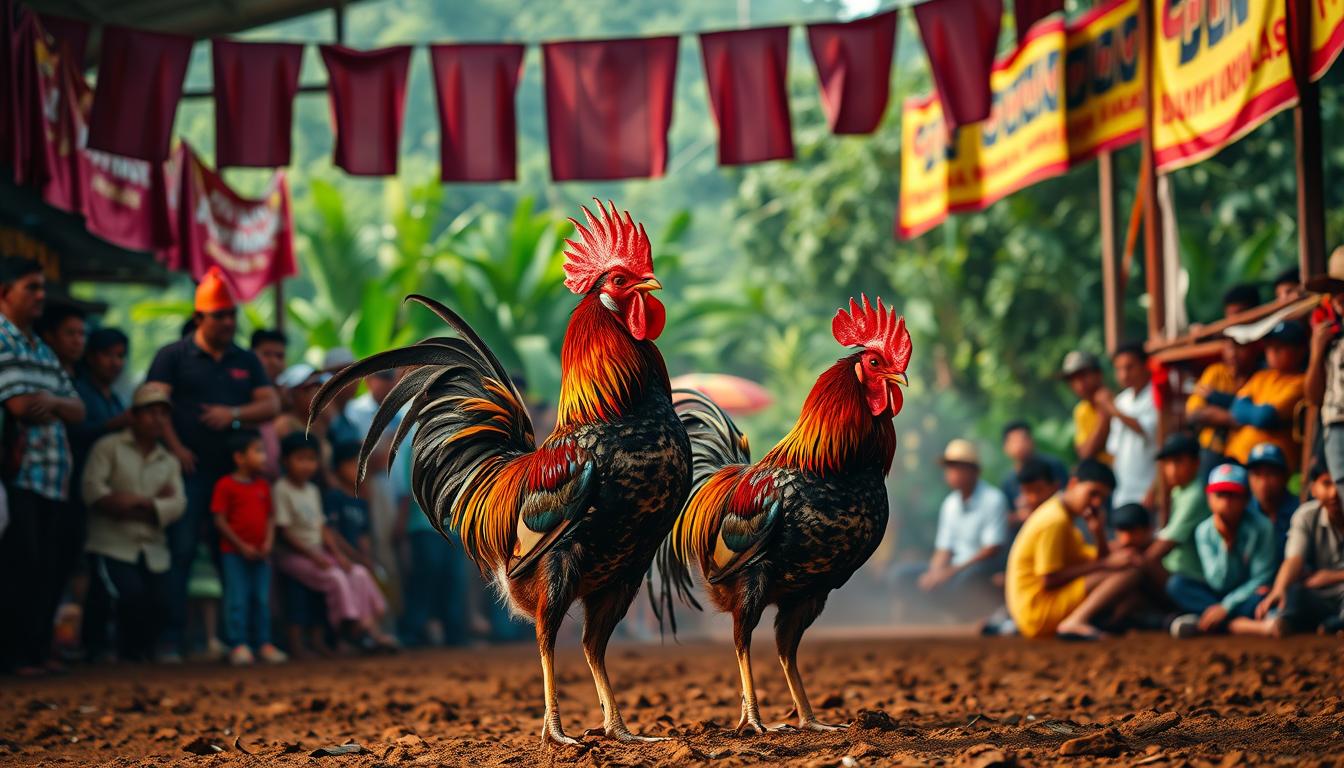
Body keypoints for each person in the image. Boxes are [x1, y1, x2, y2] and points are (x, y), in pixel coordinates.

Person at [146, 267, 279, 659]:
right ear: (199, 316)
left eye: (231, 315)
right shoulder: (173, 355)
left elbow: (269, 404)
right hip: (189, 470)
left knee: (235, 557)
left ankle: (235, 640)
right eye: (219, 315)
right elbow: (157, 405)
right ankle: (172, 638)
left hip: (235, 475)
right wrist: (177, 448)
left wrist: (233, 414)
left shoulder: (245, 359)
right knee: (182, 550)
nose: (228, 322)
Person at [0, 256, 87, 675]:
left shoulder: (38, 347)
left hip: (53, 478)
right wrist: (53, 403)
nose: (40, 296)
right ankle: (16, 656)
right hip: (18, 474)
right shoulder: (2, 338)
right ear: (5, 292)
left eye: (41, 287)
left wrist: (50, 402)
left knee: (47, 568)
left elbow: (78, 408)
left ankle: (34, 653)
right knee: (20, 565)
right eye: (30, 287)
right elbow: (18, 405)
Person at [80, 383, 185, 662]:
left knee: (161, 602)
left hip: (151, 546)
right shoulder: (108, 447)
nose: (157, 419)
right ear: (134, 415)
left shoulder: (168, 460)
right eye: (150, 412)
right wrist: (152, 503)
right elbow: (93, 490)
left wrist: (134, 503)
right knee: (124, 595)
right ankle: (98, 650)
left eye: (163, 413)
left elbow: (178, 505)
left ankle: (134, 655)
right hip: (111, 542)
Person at [272, 433, 396, 651]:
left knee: (358, 573)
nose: (307, 465)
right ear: (284, 461)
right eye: (300, 459)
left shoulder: (312, 491)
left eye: (311, 459)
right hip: (295, 554)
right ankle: (354, 629)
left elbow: (322, 529)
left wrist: (338, 556)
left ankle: (370, 627)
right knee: (336, 576)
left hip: (318, 552)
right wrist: (317, 556)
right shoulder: (282, 489)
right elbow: (284, 532)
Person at [1004, 459, 1143, 639]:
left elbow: (1095, 560)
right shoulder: (1055, 521)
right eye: (1093, 493)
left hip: (1038, 610)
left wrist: (1098, 533)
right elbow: (1049, 578)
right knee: (1129, 571)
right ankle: (1075, 621)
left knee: (1122, 567)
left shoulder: (1063, 517)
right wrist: (1104, 564)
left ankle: (1100, 622)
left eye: (1102, 498)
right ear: (1073, 484)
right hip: (1037, 612)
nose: (1096, 503)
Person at [1167, 464, 1277, 638]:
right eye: (1220, 495)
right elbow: (1218, 582)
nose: (1226, 502)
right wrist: (1227, 547)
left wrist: (1226, 607)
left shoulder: (1262, 527)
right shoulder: (1204, 530)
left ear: (1246, 499)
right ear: (1209, 499)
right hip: (1217, 594)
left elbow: (1261, 577)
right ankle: (1238, 625)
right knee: (1177, 585)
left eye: (1233, 495)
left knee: (1263, 595)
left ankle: (1207, 622)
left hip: (1246, 595)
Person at [211, 430, 286, 666]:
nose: (264, 457)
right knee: (237, 598)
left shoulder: (263, 486)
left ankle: (263, 643)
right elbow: (219, 520)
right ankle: (238, 644)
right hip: (234, 554)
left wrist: (268, 543)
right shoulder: (226, 485)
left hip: (261, 554)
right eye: (258, 451)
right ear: (239, 457)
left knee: (261, 600)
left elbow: (271, 518)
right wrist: (241, 545)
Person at [912, 440, 1009, 612]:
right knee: (903, 577)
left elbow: (991, 549)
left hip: (979, 568)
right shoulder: (950, 504)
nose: (951, 473)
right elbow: (944, 548)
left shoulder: (993, 499)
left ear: (974, 471)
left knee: (965, 581)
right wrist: (934, 573)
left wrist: (949, 572)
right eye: (949, 467)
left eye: (957, 467)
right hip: (956, 567)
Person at [1255, 463, 1344, 635]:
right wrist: (1279, 589)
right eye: (1326, 483)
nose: (1334, 493)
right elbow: (1294, 559)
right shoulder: (1306, 515)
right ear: (1313, 489)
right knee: (1294, 592)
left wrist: (1331, 577)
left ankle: (1336, 624)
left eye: (1340, 484)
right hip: (1320, 593)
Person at [1213, 321, 1307, 465]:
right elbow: (1237, 408)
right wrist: (1254, 413)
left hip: (1270, 465)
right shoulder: (1262, 377)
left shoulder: (1301, 382)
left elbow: (1265, 417)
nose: (1273, 351)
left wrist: (1250, 412)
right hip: (1235, 457)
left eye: (1280, 347)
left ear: (1300, 350)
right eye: (1270, 346)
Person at [1186, 336, 1261, 479]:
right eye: (1229, 347)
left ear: (1253, 348)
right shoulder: (1215, 372)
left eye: (1239, 347)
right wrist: (1237, 418)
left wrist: (1215, 402)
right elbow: (1194, 413)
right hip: (1212, 451)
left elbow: (1262, 416)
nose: (1233, 353)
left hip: (1245, 454)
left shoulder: (1260, 377)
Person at [1144, 433, 1206, 588]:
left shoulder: (1195, 495)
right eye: (1167, 463)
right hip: (1174, 567)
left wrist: (1138, 561)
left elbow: (1165, 545)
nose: (1171, 470)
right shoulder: (1180, 489)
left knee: (1138, 567)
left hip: (1189, 575)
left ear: (1196, 463)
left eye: (1178, 462)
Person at [1101, 343, 1158, 507]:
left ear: (1144, 365)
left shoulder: (1156, 396)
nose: (1124, 374)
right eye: (1119, 369)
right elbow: (1114, 450)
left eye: (1129, 367)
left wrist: (1113, 409)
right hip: (1123, 491)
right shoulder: (1121, 401)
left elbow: (1147, 430)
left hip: (1147, 490)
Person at [1306, 250, 1344, 483]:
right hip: (1335, 427)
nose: (1339, 297)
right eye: (1335, 291)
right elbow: (1313, 396)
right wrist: (1317, 352)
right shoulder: (1330, 336)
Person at [70, 328, 130, 476]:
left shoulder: (116, 400)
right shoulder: (77, 392)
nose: (115, 362)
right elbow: (75, 434)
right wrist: (114, 423)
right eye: (108, 355)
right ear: (90, 357)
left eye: (120, 356)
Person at [998, 421, 1068, 521]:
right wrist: (1020, 516)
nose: (1020, 445)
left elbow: (1067, 494)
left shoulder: (1053, 465)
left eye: (1023, 439)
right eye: (1014, 441)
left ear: (1032, 441)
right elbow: (1007, 515)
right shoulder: (1007, 482)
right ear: (1005, 447)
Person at [1246, 442, 1297, 558]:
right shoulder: (1243, 512)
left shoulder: (1299, 510)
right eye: (1257, 474)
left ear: (1285, 476)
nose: (1263, 483)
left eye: (1271, 474)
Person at [1060, 350, 1112, 465]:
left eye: (1083, 376)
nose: (1078, 383)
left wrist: (1107, 408)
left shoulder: (1118, 402)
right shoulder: (1081, 411)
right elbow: (1085, 453)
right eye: (1072, 379)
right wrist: (1103, 415)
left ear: (1098, 374)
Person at [250, 329, 287, 478]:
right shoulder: (242, 392)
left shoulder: (289, 396)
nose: (273, 361)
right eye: (266, 354)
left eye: (280, 356)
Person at [37, 303, 86, 376]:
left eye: (81, 334)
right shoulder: (39, 373)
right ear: (49, 336)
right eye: (70, 333)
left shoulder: (85, 379)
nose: (77, 341)